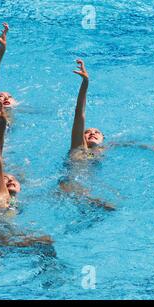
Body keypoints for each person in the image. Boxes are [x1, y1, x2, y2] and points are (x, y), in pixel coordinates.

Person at [59, 59, 115, 211]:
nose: (92, 133)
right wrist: (85, 83)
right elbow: (79, 115)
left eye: (97, 132)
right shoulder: (79, 146)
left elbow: (130, 143)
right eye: (87, 132)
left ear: (103, 139)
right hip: (68, 187)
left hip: (85, 188)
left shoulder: (103, 148)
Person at [0, 98, 21, 209]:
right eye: (5, 178)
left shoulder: (15, 203)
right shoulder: (0, 195)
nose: (11, 180)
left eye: (13, 179)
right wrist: (2, 124)